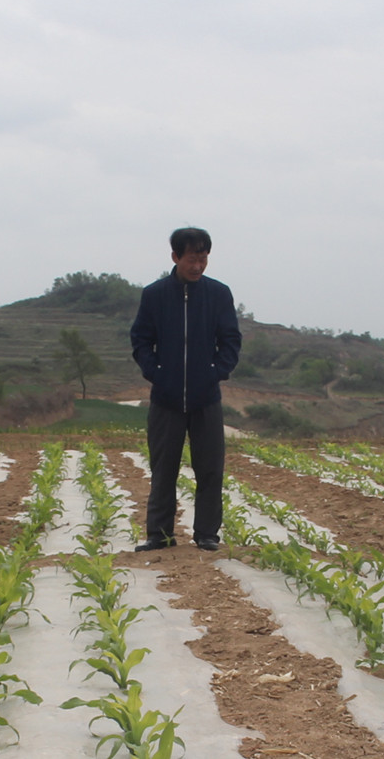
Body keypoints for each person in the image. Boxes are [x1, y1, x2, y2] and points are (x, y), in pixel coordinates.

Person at [131, 227, 241, 552]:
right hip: (165, 398)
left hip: (206, 397)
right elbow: (140, 340)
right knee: (163, 468)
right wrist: (156, 374)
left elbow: (231, 340)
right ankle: (159, 535)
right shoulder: (155, 295)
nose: (197, 266)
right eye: (191, 258)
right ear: (176, 257)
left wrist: (216, 372)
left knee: (210, 469)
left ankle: (207, 534)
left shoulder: (219, 294)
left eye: (203, 258)